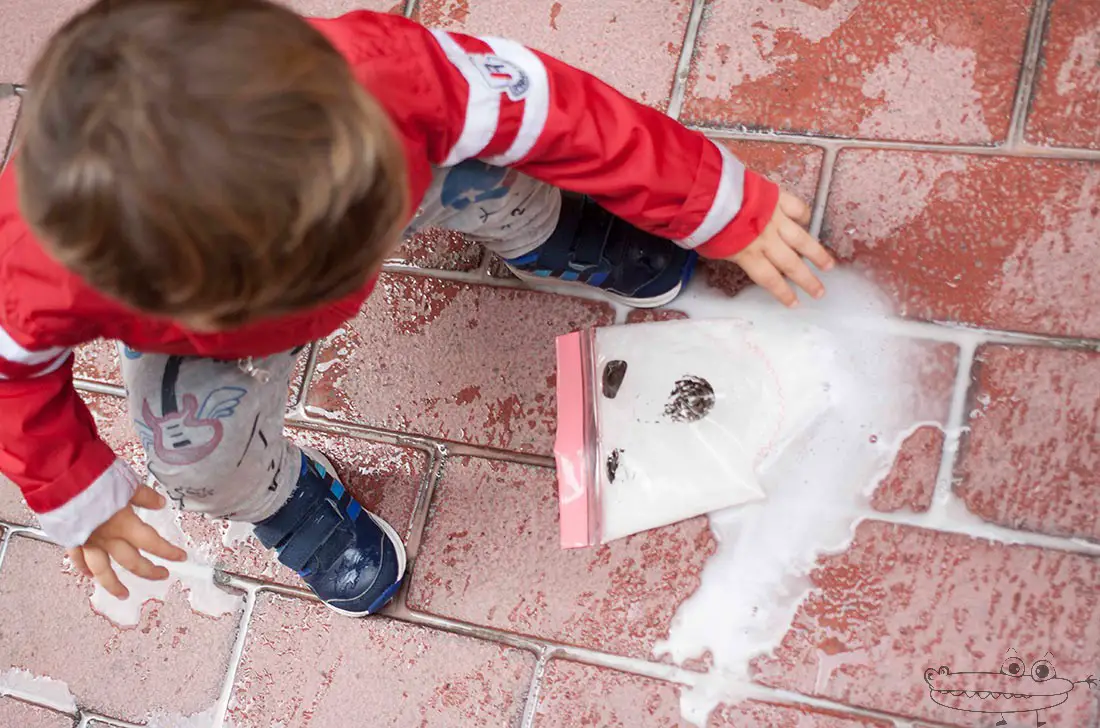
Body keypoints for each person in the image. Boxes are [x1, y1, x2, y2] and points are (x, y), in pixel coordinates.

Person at [0, 0, 834, 616]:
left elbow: (562, 115)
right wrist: (79, 491)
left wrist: (715, 202)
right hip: (214, 350)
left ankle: (545, 232)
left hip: (398, 169)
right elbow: (10, 378)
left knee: (485, 165)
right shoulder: (35, 270)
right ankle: (274, 496)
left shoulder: (388, 74)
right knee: (188, 455)